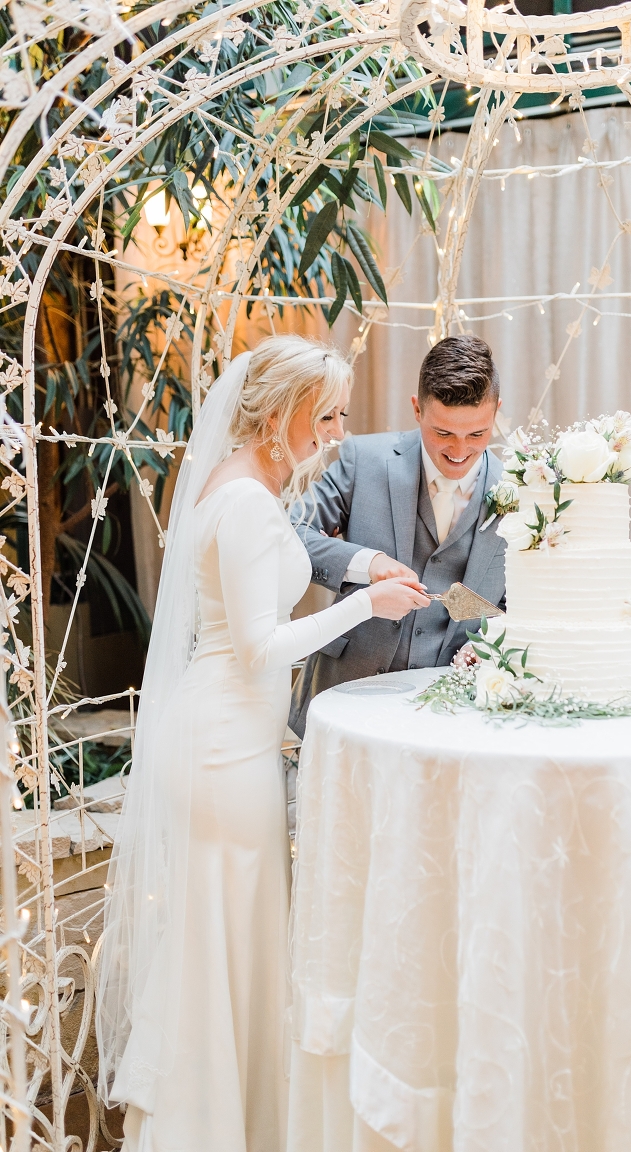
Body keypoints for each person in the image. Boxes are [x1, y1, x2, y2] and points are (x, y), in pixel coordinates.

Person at [96, 336, 429, 1152]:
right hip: (220, 749)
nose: (335, 432)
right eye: (326, 416)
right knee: (224, 935)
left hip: (230, 738)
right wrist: (367, 604)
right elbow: (256, 644)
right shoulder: (244, 501)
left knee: (229, 932)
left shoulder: (245, 486)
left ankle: (231, 1120)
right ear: (280, 416)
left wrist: (359, 579)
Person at [289, 334, 506, 738]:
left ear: (496, 412)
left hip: (456, 710)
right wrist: (366, 563)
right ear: (416, 409)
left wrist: (496, 643)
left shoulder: (525, 489)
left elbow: (530, 603)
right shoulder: (361, 460)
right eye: (443, 433)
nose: (460, 451)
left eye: (477, 435)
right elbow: (288, 532)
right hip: (346, 690)